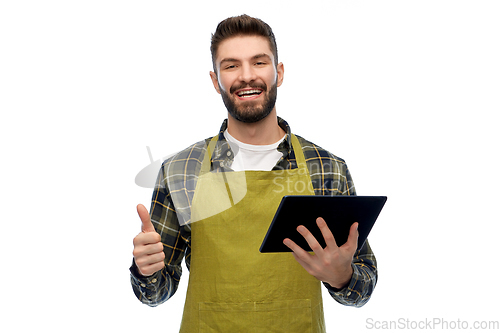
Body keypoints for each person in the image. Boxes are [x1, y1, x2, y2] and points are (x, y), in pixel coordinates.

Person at [130, 14, 377, 333]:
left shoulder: (325, 167)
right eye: (231, 65)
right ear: (215, 80)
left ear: (279, 72)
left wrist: (343, 277)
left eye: (259, 62)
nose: (247, 76)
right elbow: (156, 294)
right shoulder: (182, 169)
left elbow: (362, 288)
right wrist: (146, 271)